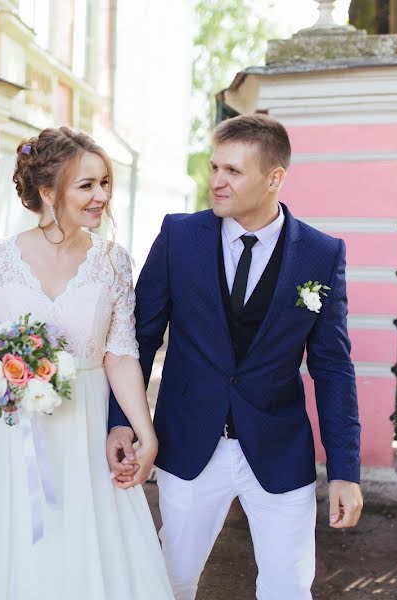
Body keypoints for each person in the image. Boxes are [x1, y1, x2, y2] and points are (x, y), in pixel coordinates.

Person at [107, 113, 364, 600]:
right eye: (215, 167)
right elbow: (138, 339)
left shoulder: (320, 254)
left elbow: (332, 368)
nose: (217, 182)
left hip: (279, 448)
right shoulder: (180, 237)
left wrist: (346, 470)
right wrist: (122, 421)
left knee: (288, 587)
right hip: (189, 442)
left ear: (274, 179)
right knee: (171, 580)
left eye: (233, 171)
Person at [0, 127, 173, 599]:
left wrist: (147, 433)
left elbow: (120, 355)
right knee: (26, 550)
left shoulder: (114, 262)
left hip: (87, 426)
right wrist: (10, 375)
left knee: (95, 548)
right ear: (47, 192)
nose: (101, 196)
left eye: (105, 184)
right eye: (87, 185)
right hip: (21, 431)